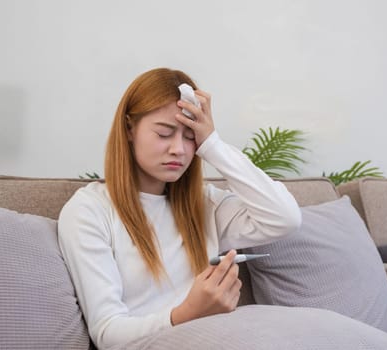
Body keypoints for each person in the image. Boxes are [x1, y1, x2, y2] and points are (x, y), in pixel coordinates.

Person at [57, 68, 302, 349]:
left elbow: (285, 218)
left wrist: (212, 144)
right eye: (164, 133)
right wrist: (188, 312)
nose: (180, 150)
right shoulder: (90, 211)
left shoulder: (205, 205)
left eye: (190, 136)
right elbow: (108, 333)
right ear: (128, 129)